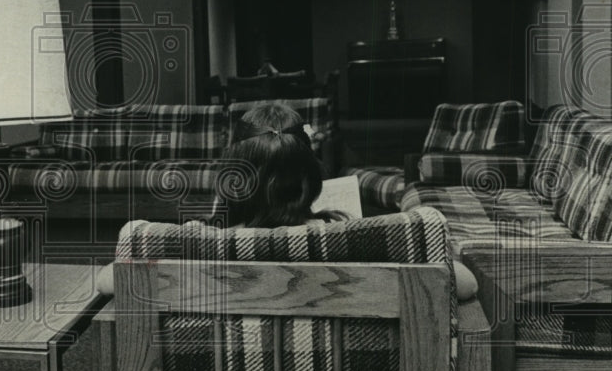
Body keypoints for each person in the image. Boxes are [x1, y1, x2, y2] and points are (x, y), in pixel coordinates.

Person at [96, 103, 477, 300]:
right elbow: (465, 286)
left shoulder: (194, 242)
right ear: (310, 179)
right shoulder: (348, 238)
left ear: (231, 179)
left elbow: (107, 282)